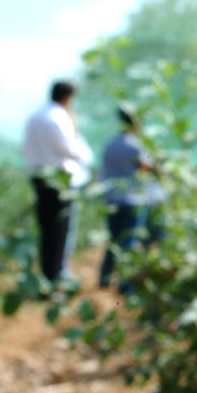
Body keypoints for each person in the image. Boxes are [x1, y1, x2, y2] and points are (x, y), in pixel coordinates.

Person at [23, 81, 92, 283]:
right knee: (61, 231)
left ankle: (46, 275)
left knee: (46, 229)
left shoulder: (34, 116)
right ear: (68, 97)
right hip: (60, 180)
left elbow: (26, 149)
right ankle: (56, 277)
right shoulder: (60, 118)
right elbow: (69, 150)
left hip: (38, 177)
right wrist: (85, 154)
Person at [99, 105, 165, 291]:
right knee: (130, 242)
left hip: (111, 199)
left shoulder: (110, 143)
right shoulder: (135, 145)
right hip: (132, 201)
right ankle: (125, 285)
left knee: (114, 240)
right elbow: (149, 168)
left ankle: (104, 278)